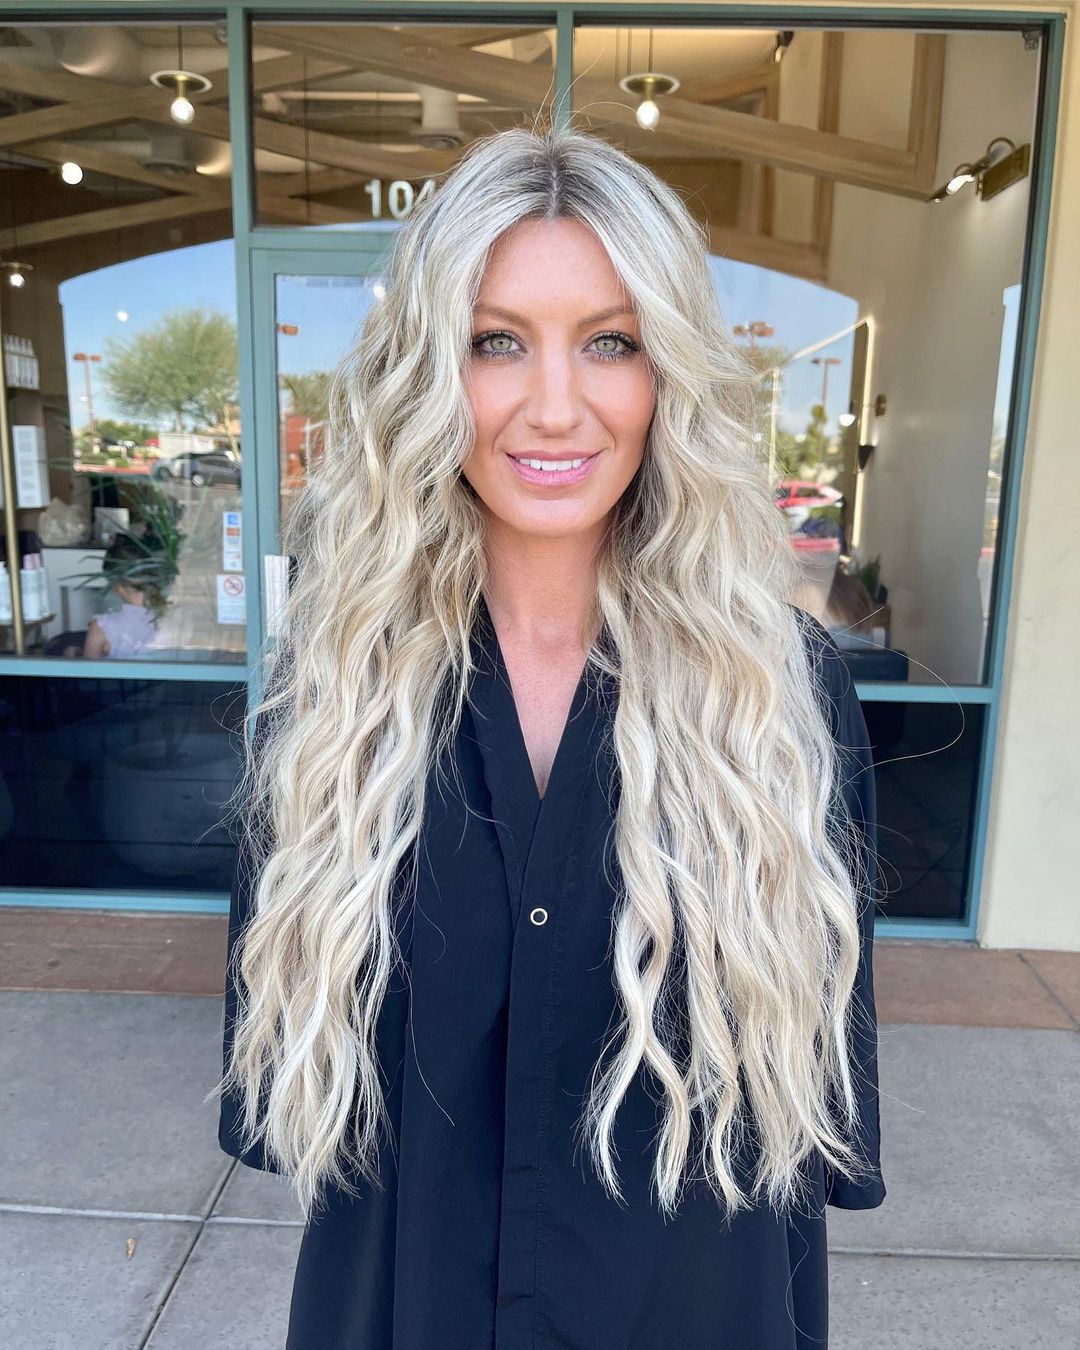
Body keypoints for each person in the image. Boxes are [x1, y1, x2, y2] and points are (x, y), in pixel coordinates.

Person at [214, 123, 885, 1350]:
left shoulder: (781, 697)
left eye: (611, 342)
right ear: (429, 372)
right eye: (497, 341)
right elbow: (283, 1086)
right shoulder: (338, 692)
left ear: (668, 374)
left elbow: (807, 1121)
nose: (557, 406)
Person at [81, 531, 160, 658]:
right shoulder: (176, 620)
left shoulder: (102, 627)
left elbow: (86, 669)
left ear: (117, 586)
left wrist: (71, 655)